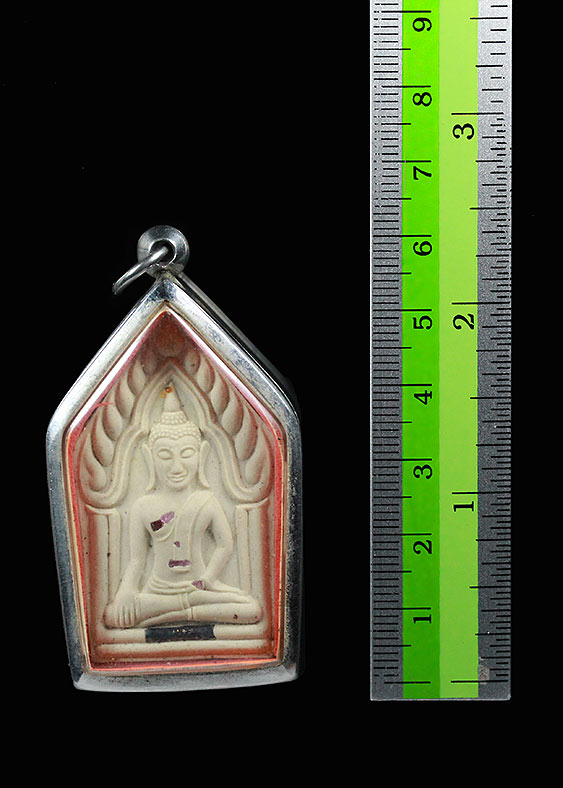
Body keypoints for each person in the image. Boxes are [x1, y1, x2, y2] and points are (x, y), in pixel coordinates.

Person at [104, 386, 262, 629]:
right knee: (114, 615)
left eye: (186, 454)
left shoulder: (207, 501)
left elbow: (225, 545)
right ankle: (185, 609)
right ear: (150, 458)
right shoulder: (143, 506)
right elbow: (136, 560)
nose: (177, 467)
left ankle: (174, 614)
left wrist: (208, 580)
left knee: (251, 609)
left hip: (198, 588)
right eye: (165, 456)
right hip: (156, 591)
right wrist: (126, 592)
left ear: (202, 454)